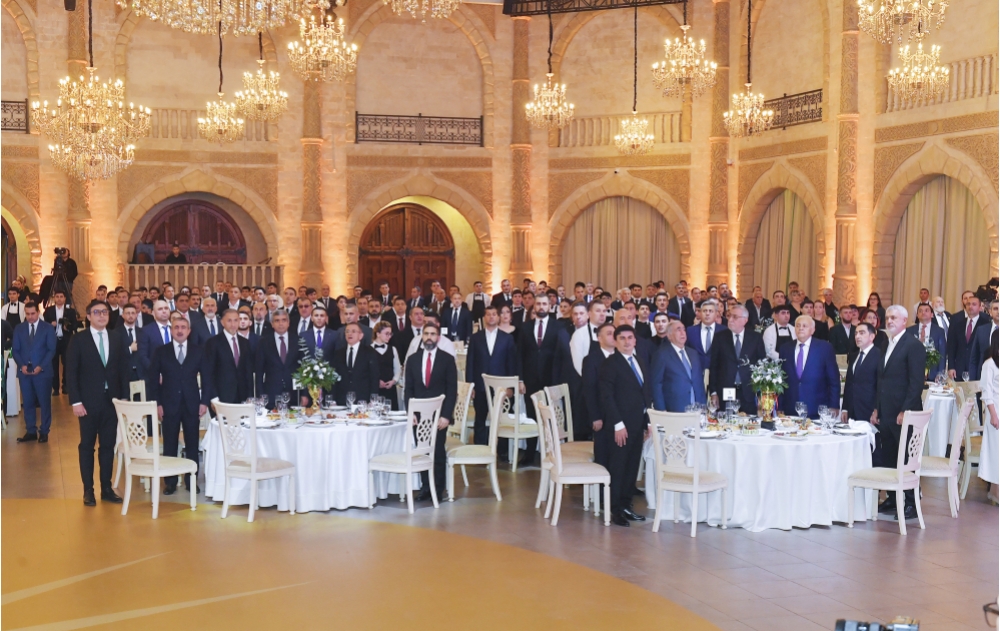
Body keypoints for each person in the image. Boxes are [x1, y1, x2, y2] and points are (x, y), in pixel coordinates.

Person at [65, 300, 129, 505]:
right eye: (97, 312)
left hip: (112, 402)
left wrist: (124, 398)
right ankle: (88, 490)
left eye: (105, 312)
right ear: (89, 316)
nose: (102, 315)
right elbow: (71, 372)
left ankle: (106, 488)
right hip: (88, 402)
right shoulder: (78, 339)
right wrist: (76, 401)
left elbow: (124, 369)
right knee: (87, 446)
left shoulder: (117, 338)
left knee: (108, 446)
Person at [873, 305, 927, 520]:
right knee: (889, 454)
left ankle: (911, 502)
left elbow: (916, 383)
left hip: (904, 412)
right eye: (888, 317)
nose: (889, 321)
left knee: (905, 456)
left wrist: (906, 410)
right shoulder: (886, 343)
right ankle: (892, 497)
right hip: (886, 410)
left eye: (894, 317)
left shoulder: (914, 345)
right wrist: (877, 407)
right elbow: (881, 380)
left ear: (905, 320)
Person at [146, 317, 210, 495]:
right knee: (170, 444)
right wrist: (157, 404)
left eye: (183, 327)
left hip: (192, 404)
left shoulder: (199, 351)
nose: (180, 330)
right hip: (168, 404)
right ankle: (170, 482)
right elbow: (152, 380)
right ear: (171, 330)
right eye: (176, 327)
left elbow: (207, 378)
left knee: (192, 444)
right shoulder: (161, 351)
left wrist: (204, 401)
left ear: (189, 331)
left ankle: (191, 481)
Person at [599, 325, 652, 527]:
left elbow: (645, 392)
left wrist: (648, 422)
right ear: (615, 341)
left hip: (637, 423)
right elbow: (607, 397)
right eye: (622, 338)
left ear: (635, 340)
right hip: (620, 425)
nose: (627, 341)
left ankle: (626, 505)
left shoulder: (639, 361)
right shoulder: (610, 364)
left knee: (631, 467)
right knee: (618, 467)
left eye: (630, 337)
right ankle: (615, 510)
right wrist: (617, 424)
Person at [403, 323, 457, 501]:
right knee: (422, 451)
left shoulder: (447, 359)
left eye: (433, 334)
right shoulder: (413, 359)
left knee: (438, 451)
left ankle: (438, 489)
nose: (429, 337)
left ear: (438, 337)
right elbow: (408, 389)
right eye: (426, 333)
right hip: (418, 416)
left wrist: (446, 415)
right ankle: (425, 488)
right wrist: (411, 413)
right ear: (422, 336)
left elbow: (452, 390)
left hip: (439, 415)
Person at [516, 293, 568, 466]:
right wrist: (520, 379)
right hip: (530, 379)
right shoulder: (525, 327)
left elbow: (563, 355)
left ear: (550, 306)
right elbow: (520, 355)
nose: (541, 307)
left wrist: (559, 382)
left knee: (551, 417)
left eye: (544, 304)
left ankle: (552, 454)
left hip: (551, 379)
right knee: (532, 417)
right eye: (538, 304)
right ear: (534, 306)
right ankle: (530, 454)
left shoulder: (558, 326)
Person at [464, 306, 518, 445]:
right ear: (484, 318)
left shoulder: (507, 338)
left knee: (501, 419)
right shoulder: (476, 338)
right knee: (480, 418)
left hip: (501, 386)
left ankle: (501, 450)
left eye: (494, 314)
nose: (491, 317)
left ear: (498, 317)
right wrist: (470, 385)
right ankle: (479, 448)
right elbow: (470, 362)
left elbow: (511, 363)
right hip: (480, 385)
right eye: (488, 314)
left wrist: (510, 386)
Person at [709, 305, 766, 415]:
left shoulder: (755, 338)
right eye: (729, 316)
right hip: (726, 390)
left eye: (735, 317)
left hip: (748, 392)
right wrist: (713, 392)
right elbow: (714, 366)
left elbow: (761, 364)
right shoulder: (719, 337)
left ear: (745, 320)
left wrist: (761, 392)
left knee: (749, 422)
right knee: (726, 423)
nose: (730, 320)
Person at [12, 302, 57, 443]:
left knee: (44, 403)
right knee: (28, 402)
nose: (30, 317)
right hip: (25, 372)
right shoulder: (19, 328)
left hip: (43, 372)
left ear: (38, 312)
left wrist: (41, 366)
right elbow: (15, 350)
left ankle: (44, 431)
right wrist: (21, 365)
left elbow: (51, 350)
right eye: (27, 314)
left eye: (33, 313)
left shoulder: (47, 328)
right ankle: (31, 430)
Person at [779, 316, 840, 418]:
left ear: (812, 330)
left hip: (817, 409)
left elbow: (834, 379)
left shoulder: (824, 348)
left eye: (804, 326)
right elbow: (781, 380)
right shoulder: (785, 348)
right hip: (790, 409)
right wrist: (780, 406)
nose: (801, 328)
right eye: (798, 326)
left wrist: (834, 405)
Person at [651, 320, 705, 412]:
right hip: (674, 408)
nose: (682, 333)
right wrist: (661, 409)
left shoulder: (693, 353)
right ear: (669, 335)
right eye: (678, 330)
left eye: (684, 329)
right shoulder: (661, 354)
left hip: (697, 408)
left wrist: (703, 405)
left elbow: (699, 381)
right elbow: (656, 384)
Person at [583, 322, 616, 468]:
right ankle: (603, 480)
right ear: (599, 338)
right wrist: (595, 416)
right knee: (603, 454)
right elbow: (589, 389)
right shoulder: (591, 359)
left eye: (614, 333)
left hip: (619, 412)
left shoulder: (622, 357)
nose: (613, 336)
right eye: (609, 334)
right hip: (602, 414)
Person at [204, 309, 253, 405]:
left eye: (236, 320)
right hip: (222, 396)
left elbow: (248, 372)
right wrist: (214, 398)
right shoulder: (213, 343)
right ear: (222, 322)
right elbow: (208, 373)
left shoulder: (245, 343)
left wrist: (250, 396)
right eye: (229, 320)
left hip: (243, 396)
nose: (233, 324)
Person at [254, 310, 301, 407]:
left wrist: (304, 394)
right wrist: (260, 395)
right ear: (272, 324)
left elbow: (303, 368)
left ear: (288, 323)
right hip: (271, 394)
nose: (281, 323)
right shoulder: (263, 342)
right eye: (277, 320)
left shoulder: (298, 340)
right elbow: (259, 372)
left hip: (294, 393)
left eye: (284, 320)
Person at [842, 323, 882, 431]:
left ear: (872, 336)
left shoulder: (879, 355)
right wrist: (845, 408)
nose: (857, 336)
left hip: (869, 410)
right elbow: (849, 383)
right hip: (852, 410)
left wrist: (877, 409)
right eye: (856, 333)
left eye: (862, 333)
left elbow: (881, 386)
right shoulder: (854, 355)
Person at [332, 322, 380, 406]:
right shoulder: (338, 353)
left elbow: (374, 377)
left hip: (363, 400)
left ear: (361, 335)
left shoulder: (370, 352)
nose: (350, 334)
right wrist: (333, 399)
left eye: (353, 331)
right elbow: (334, 377)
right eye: (347, 331)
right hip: (342, 400)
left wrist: (373, 399)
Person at [43, 289, 77, 396]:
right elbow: (43, 325)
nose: (59, 299)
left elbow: (75, 325)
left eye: (61, 296)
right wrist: (50, 324)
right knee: (53, 364)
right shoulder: (48, 310)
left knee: (67, 363)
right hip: (53, 340)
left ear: (65, 298)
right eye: (57, 297)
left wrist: (68, 327)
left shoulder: (70, 311)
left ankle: (65, 386)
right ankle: (55, 388)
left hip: (66, 340)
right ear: (54, 298)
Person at [978, 336, 999, 504]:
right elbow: (987, 392)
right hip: (996, 411)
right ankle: (996, 491)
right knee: (996, 452)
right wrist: (993, 414)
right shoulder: (989, 364)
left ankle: (993, 492)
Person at [947, 295, 988, 380]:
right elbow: (952, 347)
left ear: (980, 307)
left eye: (974, 304)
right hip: (959, 369)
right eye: (968, 304)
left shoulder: (986, 324)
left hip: (977, 369)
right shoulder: (958, 324)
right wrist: (951, 367)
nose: (970, 306)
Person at [686, 300, 724, 381]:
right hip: (695, 375)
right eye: (704, 311)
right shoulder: (690, 331)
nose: (707, 313)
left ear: (716, 314)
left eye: (710, 311)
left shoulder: (724, 331)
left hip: (718, 375)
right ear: (700, 313)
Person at [907, 303, 946, 381]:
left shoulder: (939, 331)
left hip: (933, 375)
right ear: (917, 315)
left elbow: (942, 353)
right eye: (920, 311)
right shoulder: (909, 331)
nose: (923, 313)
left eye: (926, 310)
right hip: (913, 373)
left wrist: (940, 373)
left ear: (932, 314)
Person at [570, 300, 607, 375]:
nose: (602, 314)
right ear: (589, 314)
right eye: (598, 311)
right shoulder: (579, 334)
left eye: (604, 311)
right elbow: (578, 363)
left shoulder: (611, 332)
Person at [371, 321, 402, 410]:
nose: (389, 336)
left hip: (390, 390)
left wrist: (393, 381)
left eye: (390, 334)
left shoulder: (393, 349)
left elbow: (397, 369)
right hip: (375, 390)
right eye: (386, 333)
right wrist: (376, 381)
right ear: (378, 334)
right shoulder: (368, 350)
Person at [139, 299, 173, 372]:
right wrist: (155, 372)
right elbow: (142, 356)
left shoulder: (177, 328)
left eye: (166, 308)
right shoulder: (146, 331)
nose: (164, 311)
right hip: (156, 373)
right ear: (153, 313)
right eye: (160, 309)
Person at [969, 299, 999, 381]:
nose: (998, 312)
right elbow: (974, 358)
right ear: (990, 312)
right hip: (983, 376)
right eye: (995, 309)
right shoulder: (981, 330)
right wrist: (973, 380)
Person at [116, 303, 144, 384]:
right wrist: (130, 349)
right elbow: (115, 354)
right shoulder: (116, 333)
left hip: (140, 373)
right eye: (128, 313)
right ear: (123, 315)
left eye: (133, 313)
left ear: (136, 315)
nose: (130, 316)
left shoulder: (142, 332)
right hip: (123, 374)